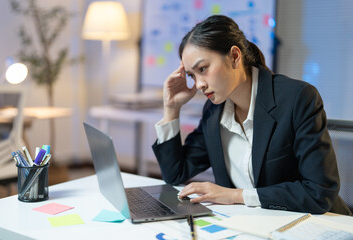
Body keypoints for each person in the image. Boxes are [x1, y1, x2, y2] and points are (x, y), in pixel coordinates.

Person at [151, 15, 352, 215]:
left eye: (203, 69)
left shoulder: (297, 98)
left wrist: (235, 196)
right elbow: (176, 173)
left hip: (312, 224)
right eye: (191, 75)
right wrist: (171, 109)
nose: (199, 84)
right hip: (252, 225)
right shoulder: (214, 112)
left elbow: (319, 192)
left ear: (235, 57)